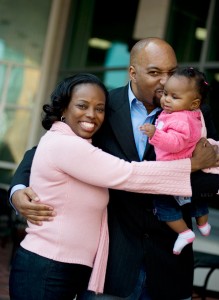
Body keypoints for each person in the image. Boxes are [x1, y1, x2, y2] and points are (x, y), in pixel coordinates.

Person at [9, 38, 219, 300]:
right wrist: (17, 189)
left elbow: (212, 176)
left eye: (171, 71)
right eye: (155, 72)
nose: (166, 81)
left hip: (170, 263)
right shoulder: (101, 106)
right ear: (132, 72)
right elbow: (46, 151)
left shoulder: (196, 112)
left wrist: (194, 176)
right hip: (112, 265)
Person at [140, 67, 219, 256]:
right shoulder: (187, 113)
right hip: (183, 170)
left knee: (163, 204)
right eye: (166, 94)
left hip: (173, 168)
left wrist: (155, 134)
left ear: (194, 103)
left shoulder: (181, 120)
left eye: (174, 97)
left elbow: (175, 143)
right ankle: (203, 222)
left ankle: (184, 232)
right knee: (190, 199)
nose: (166, 99)